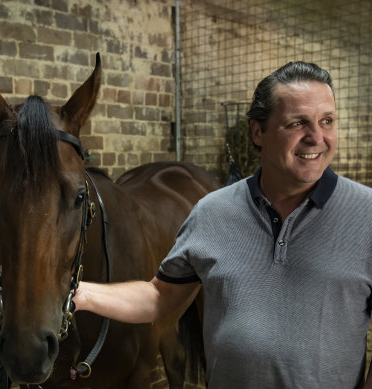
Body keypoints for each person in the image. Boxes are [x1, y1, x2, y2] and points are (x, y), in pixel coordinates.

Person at [73, 61, 372, 388]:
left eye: (327, 121)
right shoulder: (212, 211)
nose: (317, 137)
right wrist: (80, 293)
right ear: (258, 133)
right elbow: (159, 297)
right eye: (297, 123)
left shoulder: (366, 214)